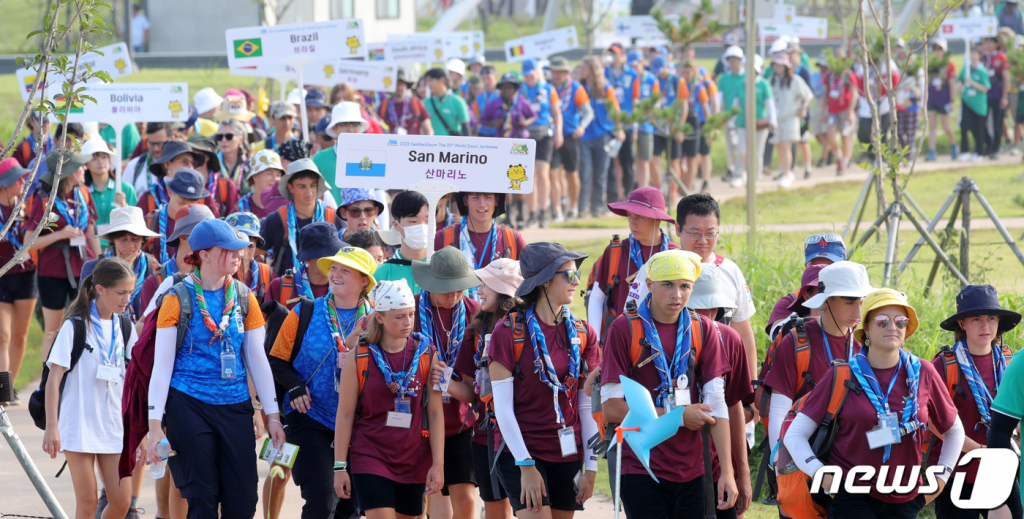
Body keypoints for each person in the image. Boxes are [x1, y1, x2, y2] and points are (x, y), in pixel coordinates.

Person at [784, 289, 964, 518]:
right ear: (866, 328)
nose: (892, 327)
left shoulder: (923, 372)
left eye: (900, 321)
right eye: (881, 322)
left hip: (905, 495)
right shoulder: (843, 374)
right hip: (851, 494)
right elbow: (795, 435)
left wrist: (941, 479)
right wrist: (822, 475)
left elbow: (954, 431)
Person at [146, 218, 284, 517]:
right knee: (202, 499)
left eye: (240, 249)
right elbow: (162, 367)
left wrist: (272, 414)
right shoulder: (176, 297)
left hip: (236, 407)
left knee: (243, 501)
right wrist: (155, 424)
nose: (239, 254)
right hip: (188, 405)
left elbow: (258, 361)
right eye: (229, 249)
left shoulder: (245, 297)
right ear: (204, 254)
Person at [600, 250, 738, 518]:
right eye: (667, 285)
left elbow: (717, 405)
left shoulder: (704, 329)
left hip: (693, 469)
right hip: (641, 466)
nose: (677, 295)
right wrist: (677, 416)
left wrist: (728, 474)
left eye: (685, 286)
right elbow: (612, 409)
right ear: (650, 285)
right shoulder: (624, 329)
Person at [489, 242, 599, 517]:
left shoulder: (584, 333)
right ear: (546, 281)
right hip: (522, 451)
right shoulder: (508, 331)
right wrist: (525, 465)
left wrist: (592, 467)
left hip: (568, 453)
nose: (576, 282)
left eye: (577, 275)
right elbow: (502, 409)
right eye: (569, 275)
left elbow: (586, 407)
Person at [268, 247, 375, 519]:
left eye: (345, 270)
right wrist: (294, 386)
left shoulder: (377, 321)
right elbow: (277, 359)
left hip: (358, 423)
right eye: (334, 268)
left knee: (350, 505)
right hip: (308, 417)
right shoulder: (304, 311)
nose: (335, 274)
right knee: (322, 497)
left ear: (364, 280)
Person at [333, 279, 445, 518]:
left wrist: (438, 465)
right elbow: (344, 415)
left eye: (411, 315)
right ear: (380, 318)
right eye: (399, 317)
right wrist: (340, 466)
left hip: (414, 457)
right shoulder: (359, 356)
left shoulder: (426, 353)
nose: (408, 322)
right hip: (370, 454)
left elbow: (435, 413)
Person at [41, 257, 138, 519]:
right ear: (100, 289)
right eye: (121, 292)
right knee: (86, 501)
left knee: (121, 502)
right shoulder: (75, 325)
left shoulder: (126, 327)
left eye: (130, 292)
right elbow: (54, 378)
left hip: (113, 426)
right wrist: (52, 426)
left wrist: (139, 428)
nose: (126, 299)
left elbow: (136, 380)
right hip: (79, 424)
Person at [931, 285, 1023, 518]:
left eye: (991, 318)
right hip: (956, 472)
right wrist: (979, 450)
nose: (986, 326)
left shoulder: (1011, 360)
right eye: (976, 319)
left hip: (998, 469)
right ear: (962, 323)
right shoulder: (944, 365)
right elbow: (933, 420)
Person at [762, 261, 872, 456]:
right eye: (849, 301)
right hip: (804, 454)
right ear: (826, 300)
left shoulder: (867, 343)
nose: (858, 312)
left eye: (861, 302)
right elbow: (779, 411)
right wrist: (780, 463)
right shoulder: (796, 342)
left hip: (857, 460)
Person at [411, 247, 483, 519]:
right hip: (417, 421)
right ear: (430, 284)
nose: (454, 296)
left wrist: (448, 381)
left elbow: (479, 381)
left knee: (465, 499)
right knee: (432, 500)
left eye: (460, 288)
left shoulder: (475, 314)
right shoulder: (411, 311)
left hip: (461, 421)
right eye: (446, 289)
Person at [450, 258, 521, 519]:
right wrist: (442, 380)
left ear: (503, 289)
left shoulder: (528, 327)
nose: (478, 290)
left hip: (528, 434)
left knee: (532, 508)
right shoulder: (475, 331)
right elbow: (471, 393)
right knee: (496, 510)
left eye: (485, 284)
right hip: (487, 437)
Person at [687, 263, 755, 517]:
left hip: (718, 468)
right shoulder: (659, 339)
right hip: (673, 469)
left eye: (712, 306)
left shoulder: (730, 338)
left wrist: (742, 473)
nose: (706, 314)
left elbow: (734, 406)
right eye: (697, 307)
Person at [27, 150, 100, 360]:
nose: (85, 168)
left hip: (83, 268)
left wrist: (101, 261)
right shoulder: (44, 199)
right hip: (52, 272)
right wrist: (59, 235)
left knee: (87, 324)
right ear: (68, 172)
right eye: (80, 166)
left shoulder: (84, 193)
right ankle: (47, 383)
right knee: (53, 330)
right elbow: (28, 243)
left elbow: (91, 231)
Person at [588, 186, 678, 340]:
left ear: (657, 219)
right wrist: (595, 341)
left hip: (661, 341)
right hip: (619, 340)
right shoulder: (616, 251)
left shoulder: (675, 255)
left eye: (640, 216)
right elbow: (597, 295)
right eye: (630, 215)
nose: (632, 222)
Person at [259, 158, 341, 277]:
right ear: (290, 187)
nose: (309, 192)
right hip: (286, 291)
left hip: (328, 289)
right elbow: (257, 256)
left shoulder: (332, 216)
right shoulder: (276, 219)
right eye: (302, 186)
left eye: (313, 185)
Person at [434, 192, 526, 297]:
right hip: (458, 311)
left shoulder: (512, 239)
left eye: (488, 197)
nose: (482, 203)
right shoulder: (444, 238)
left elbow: (528, 284)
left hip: (502, 312)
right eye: (475, 197)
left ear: (496, 200)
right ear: (465, 200)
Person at [82, 207, 160, 319]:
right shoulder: (92, 267)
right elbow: (86, 307)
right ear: (113, 240)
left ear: (143, 240)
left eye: (135, 239)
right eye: (123, 239)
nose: (130, 245)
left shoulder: (153, 267)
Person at [0, 159, 36, 405]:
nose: (23, 182)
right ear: (4, 183)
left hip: (26, 274)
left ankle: (10, 389)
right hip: (2, 276)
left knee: (20, 335)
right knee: (2, 335)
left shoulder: (26, 205)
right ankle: (2, 392)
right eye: (18, 179)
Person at [140, 205, 212, 317]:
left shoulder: (217, 277)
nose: (212, 241)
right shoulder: (155, 282)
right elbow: (146, 329)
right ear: (184, 238)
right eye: (204, 235)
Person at [578, 56, 624, 218]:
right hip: (584, 137)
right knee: (584, 173)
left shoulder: (606, 88)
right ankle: (581, 208)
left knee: (600, 174)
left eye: (583, 68)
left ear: (592, 70)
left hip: (602, 135)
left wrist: (619, 129)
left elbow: (615, 111)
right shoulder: (580, 87)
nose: (580, 71)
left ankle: (596, 207)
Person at [519, 58, 563, 228]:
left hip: (544, 134)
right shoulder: (520, 90)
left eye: (531, 74)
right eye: (526, 75)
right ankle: (531, 212)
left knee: (543, 173)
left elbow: (556, 113)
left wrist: (559, 132)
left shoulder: (548, 89)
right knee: (527, 176)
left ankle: (543, 211)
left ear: (537, 72)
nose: (528, 77)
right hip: (525, 136)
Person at [549, 56, 592, 221]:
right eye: (554, 71)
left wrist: (582, 127)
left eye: (559, 72)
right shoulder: (548, 87)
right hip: (551, 135)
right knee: (553, 173)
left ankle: (573, 207)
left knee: (571, 173)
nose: (556, 75)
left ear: (566, 72)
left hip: (570, 135)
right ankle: (557, 210)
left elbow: (588, 112)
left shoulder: (576, 88)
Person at [264, 221, 343, 309]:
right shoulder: (279, 287)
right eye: (326, 255)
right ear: (308, 259)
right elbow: (268, 322)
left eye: (336, 253)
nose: (333, 260)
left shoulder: (346, 286)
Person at [142, 169, 206, 267]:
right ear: (170, 192)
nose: (186, 207)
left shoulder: (203, 226)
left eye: (192, 203)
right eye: (182, 202)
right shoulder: (150, 222)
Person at [769, 54, 814, 188]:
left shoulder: (795, 80)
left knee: (786, 146)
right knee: (778, 145)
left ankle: (787, 173)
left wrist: (802, 108)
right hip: (777, 119)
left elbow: (808, 95)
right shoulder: (772, 80)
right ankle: (784, 170)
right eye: (776, 64)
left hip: (790, 117)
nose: (778, 67)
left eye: (780, 64)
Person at [314, 101, 370, 206]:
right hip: (331, 220)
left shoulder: (370, 157)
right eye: (344, 124)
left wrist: (380, 222)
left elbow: (378, 192)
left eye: (354, 124)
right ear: (335, 128)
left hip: (365, 220)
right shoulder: (318, 159)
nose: (350, 129)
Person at [81, 139, 137, 245]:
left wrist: (124, 205)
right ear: (86, 164)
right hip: (92, 250)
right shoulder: (82, 192)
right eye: (94, 158)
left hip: (121, 248)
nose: (100, 162)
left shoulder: (125, 188)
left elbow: (137, 223)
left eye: (104, 157)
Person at [375, 191, 431, 294]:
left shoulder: (446, 268)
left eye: (428, 221)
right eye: (413, 221)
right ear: (396, 225)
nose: (422, 227)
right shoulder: (382, 274)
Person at [604, 43, 639, 202]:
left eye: (616, 53)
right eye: (611, 53)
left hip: (627, 123)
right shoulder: (605, 72)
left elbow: (636, 102)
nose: (614, 56)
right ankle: (613, 195)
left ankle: (628, 194)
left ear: (623, 55)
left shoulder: (632, 75)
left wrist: (636, 126)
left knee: (626, 161)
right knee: (610, 162)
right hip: (609, 124)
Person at [733, 55, 774, 187]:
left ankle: (754, 179)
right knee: (742, 151)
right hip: (743, 122)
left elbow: (770, 103)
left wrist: (773, 120)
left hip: (759, 124)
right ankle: (746, 172)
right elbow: (736, 104)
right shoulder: (741, 84)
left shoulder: (763, 84)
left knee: (756, 152)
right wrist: (731, 121)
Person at [136, 140, 204, 215]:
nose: (190, 167)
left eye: (193, 163)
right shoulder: (149, 197)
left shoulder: (201, 194)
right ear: (167, 165)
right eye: (185, 162)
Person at [225, 212, 276, 304]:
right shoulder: (217, 273)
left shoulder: (265, 273)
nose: (243, 252)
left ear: (257, 245)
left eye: (250, 246)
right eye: (238, 244)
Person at [187, 132, 238, 217]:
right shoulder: (180, 184)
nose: (191, 158)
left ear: (207, 157)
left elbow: (233, 219)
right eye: (187, 154)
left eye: (196, 154)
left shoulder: (225, 185)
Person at [926, 38, 960, 161]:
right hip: (932, 99)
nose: (937, 51)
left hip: (944, 99)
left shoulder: (949, 65)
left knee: (946, 126)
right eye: (935, 48)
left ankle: (953, 145)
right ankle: (932, 151)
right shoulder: (930, 63)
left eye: (939, 49)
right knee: (932, 126)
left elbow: (952, 83)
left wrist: (951, 100)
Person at [378, 66, 434, 136]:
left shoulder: (416, 102)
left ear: (406, 85)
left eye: (401, 84)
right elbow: (377, 128)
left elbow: (429, 130)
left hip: (413, 145)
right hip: (391, 145)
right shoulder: (384, 104)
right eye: (396, 84)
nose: (399, 87)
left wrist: (427, 145)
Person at [718, 46, 746, 184]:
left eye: (736, 58)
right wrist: (719, 116)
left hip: (744, 118)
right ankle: (732, 169)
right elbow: (720, 98)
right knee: (731, 146)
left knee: (742, 146)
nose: (733, 61)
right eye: (731, 59)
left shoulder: (747, 75)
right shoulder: (724, 78)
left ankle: (742, 171)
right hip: (728, 117)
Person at [482, 72, 537, 140]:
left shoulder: (521, 102)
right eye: (504, 88)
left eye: (509, 88)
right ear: (500, 89)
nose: (507, 90)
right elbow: (484, 120)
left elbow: (533, 116)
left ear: (514, 89)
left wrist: (525, 122)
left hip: (519, 140)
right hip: (501, 140)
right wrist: (494, 125)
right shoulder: (493, 104)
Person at [959, 46, 991, 163]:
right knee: (964, 126)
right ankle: (965, 151)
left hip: (979, 105)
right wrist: (960, 88)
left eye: (974, 53)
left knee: (979, 128)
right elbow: (959, 81)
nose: (972, 56)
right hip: (967, 101)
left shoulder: (982, 71)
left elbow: (985, 88)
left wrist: (971, 82)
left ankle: (980, 152)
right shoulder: (965, 69)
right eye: (970, 53)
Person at [124, 122, 173, 199]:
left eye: (160, 144)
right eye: (151, 144)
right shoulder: (134, 165)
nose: (155, 148)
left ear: (171, 140)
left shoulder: (179, 166)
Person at [983, 36, 1011, 159]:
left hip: (998, 95)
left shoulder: (1001, 58)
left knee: (997, 123)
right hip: (984, 95)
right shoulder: (982, 57)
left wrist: (1005, 97)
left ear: (996, 44)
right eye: (987, 41)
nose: (988, 44)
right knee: (982, 122)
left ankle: (995, 149)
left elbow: (1006, 78)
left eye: (991, 42)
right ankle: (987, 145)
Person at [236, 149, 283, 219]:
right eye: (269, 173)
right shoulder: (241, 208)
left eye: (278, 175)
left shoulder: (285, 208)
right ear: (255, 176)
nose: (275, 179)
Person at [424, 68, 471, 137]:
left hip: (452, 146)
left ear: (442, 80)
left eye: (431, 80)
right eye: (427, 81)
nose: (428, 84)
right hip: (430, 145)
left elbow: (466, 129)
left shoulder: (458, 101)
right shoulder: (424, 102)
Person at [214, 118, 250, 193]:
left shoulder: (250, 165)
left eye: (229, 136)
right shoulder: (211, 164)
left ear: (241, 140)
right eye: (220, 137)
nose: (223, 140)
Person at [474, 65, 502, 138]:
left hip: (500, 134)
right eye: (484, 79)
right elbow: (477, 119)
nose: (486, 81)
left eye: (489, 78)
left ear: (495, 76)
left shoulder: (502, 95)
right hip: (483, 134)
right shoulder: (478, 98)